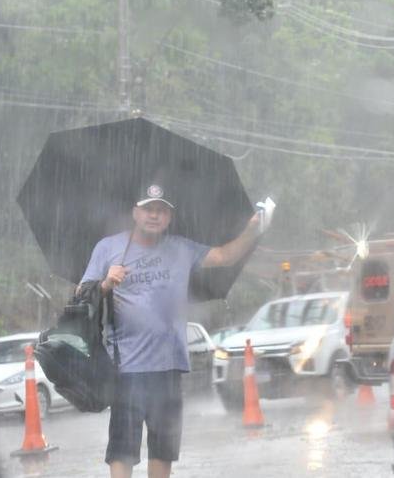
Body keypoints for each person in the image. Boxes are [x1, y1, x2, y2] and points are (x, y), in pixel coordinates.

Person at [80, 182, 268, 478]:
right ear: (135, 213)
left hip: (169, 366)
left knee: (163, 448)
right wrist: (106, 283)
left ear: (169, 217)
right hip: (126, 367)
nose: (154, 216)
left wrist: (252, 231)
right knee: (122, 449)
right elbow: (81, 295)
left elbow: (225, 257)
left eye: (161, 211)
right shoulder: (109, 248)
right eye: (148, 209)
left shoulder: (181, 249)